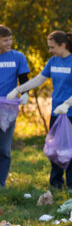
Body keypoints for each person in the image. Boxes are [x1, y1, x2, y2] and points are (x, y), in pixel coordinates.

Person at [8, 31, 72, 191]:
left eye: (52, 47)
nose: (50, 50)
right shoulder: (53, 61)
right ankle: (55, 184)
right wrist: (19, 89)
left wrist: (67, 104)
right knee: (55, 148)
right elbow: (39, 79)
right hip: (56, 112)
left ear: (62, 45)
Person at [0, 25, 30, 188]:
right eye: (5, 40)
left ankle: (1, 183)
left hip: (8, 109)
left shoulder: (18, 57)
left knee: (4, 149)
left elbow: (24, 79)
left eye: (10, 39)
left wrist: (25, 93)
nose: (9, 42)